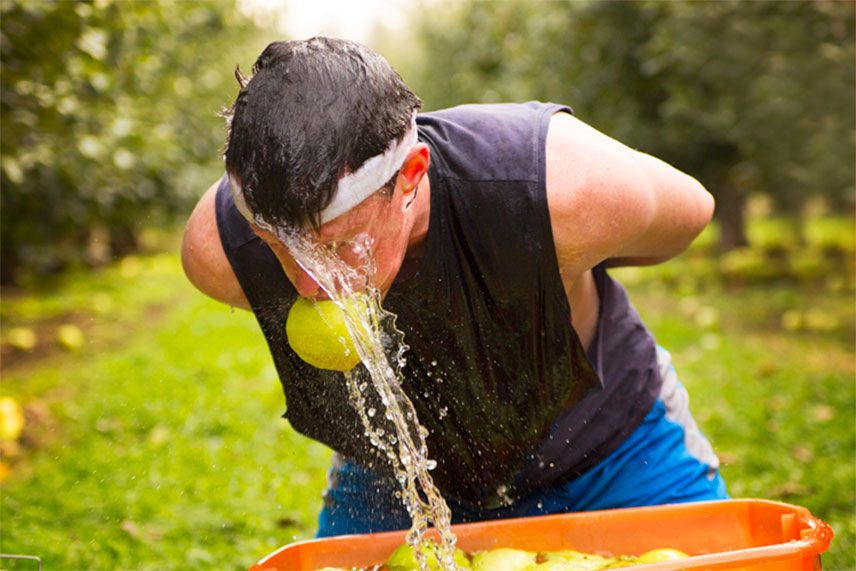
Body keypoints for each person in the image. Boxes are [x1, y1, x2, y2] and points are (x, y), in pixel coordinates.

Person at [181, 37, 727, 538]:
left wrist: (543, 256)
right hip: (396, 474)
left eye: (338, 244)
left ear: (412, 174)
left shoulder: (559, 187)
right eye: (281, 248)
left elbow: (693, 213)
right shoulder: (217, 255)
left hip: (609, 447)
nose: (312, 284)